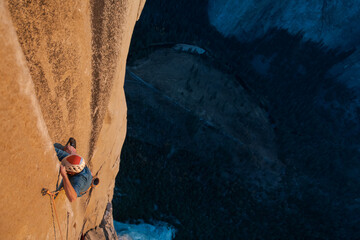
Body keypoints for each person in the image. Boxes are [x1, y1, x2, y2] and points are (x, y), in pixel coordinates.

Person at [54, 138, 93, 202]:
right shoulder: (76, 162)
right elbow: (52, 149)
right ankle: (72, 151)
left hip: (81, 188)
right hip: (86, 174)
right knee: (65, 149)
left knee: (62, 185)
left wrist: (64, 176)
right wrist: (72, 152)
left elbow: (72, 198)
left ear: (72, 172)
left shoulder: (78, 180)